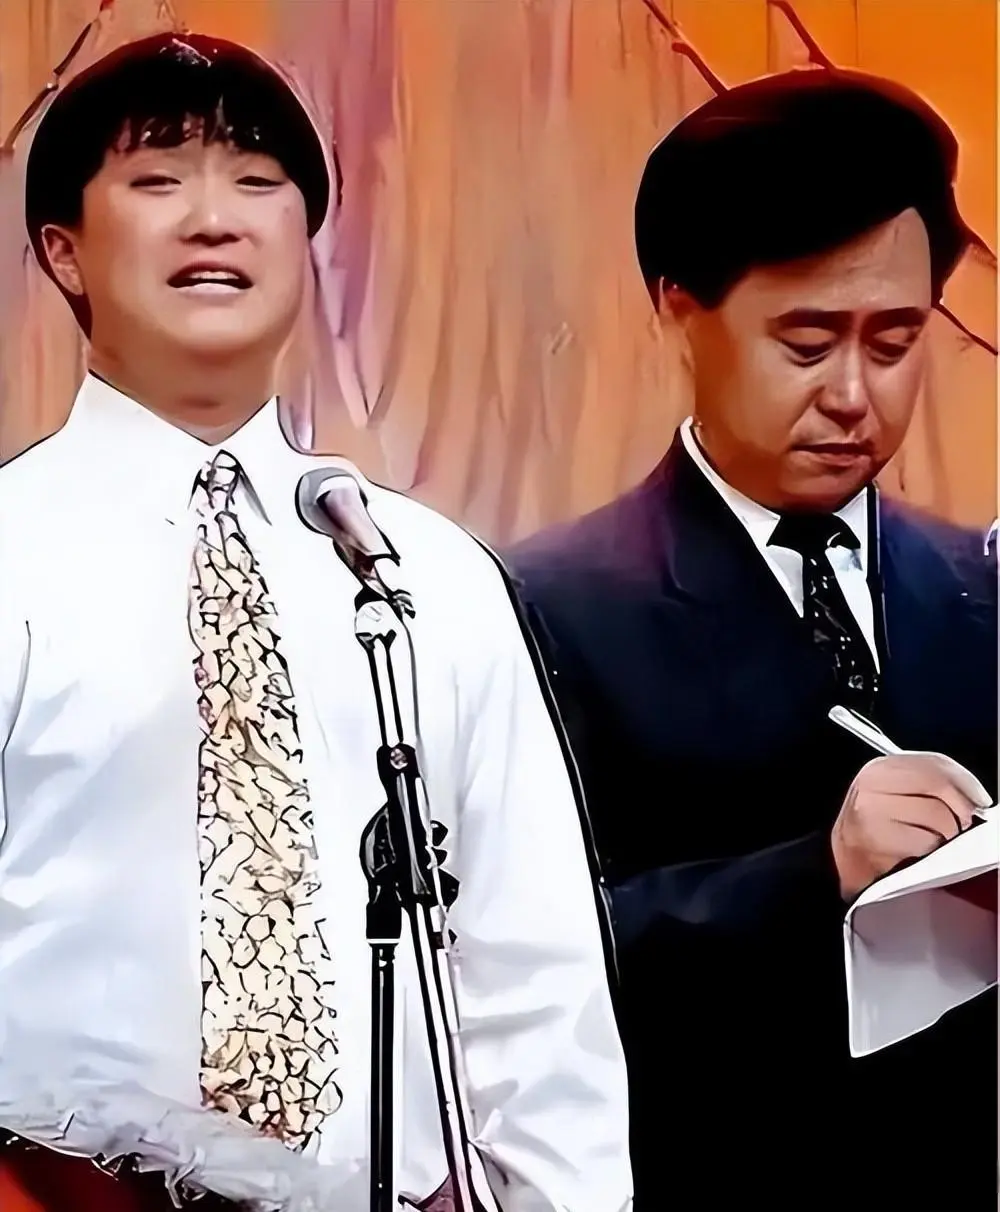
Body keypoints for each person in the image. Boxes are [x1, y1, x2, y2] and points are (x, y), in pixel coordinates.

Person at [0, 34, 632, 1212]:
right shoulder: (10, 556)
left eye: (256, 183)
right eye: (157, 181)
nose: (213, 221)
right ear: (63, 249)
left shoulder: (420, 573)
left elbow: (531, 960)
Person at [509, 69, 997, 1207]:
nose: (853, 394)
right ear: (679, 309)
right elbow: (518, 961)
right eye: (806, 342)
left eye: (894, 342)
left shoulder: (983, 584)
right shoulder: (544, 605)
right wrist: (811, 874)